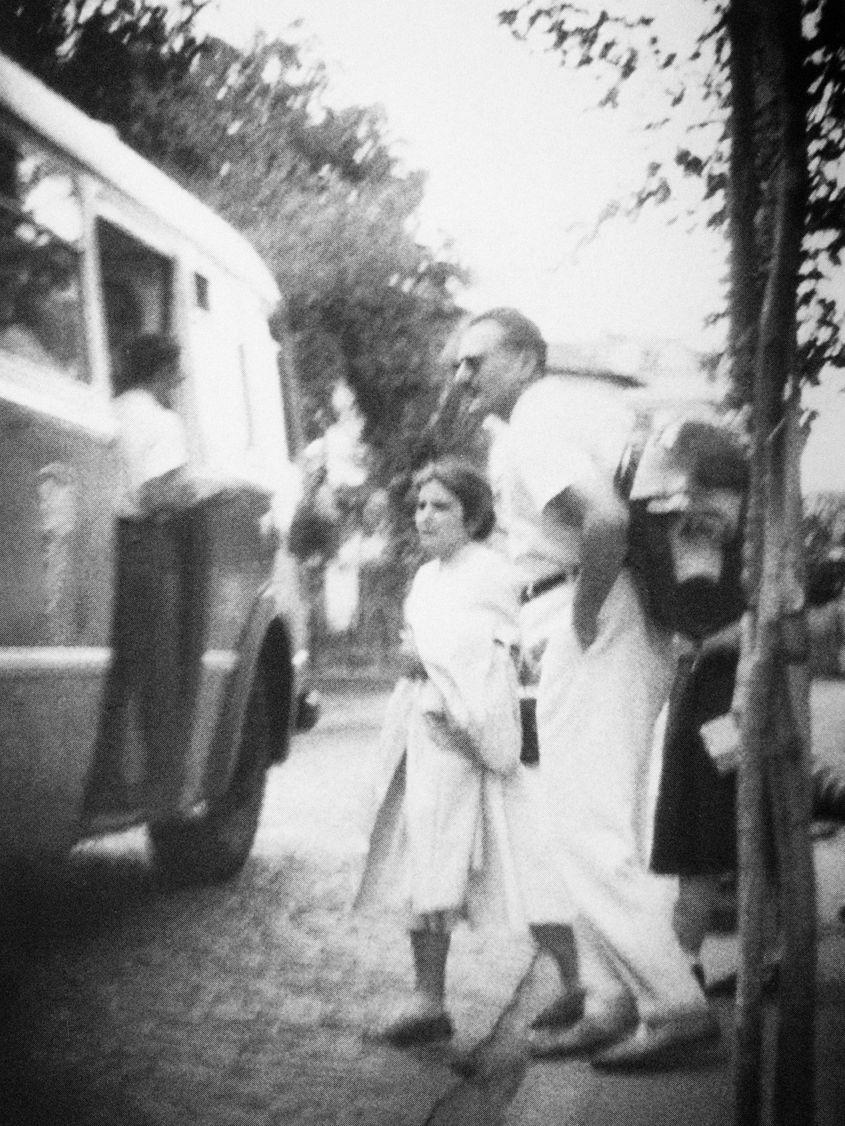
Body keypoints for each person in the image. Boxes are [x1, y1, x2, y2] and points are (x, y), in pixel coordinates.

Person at [451, 307, 715, 1070]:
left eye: (476, 360)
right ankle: (609, 1000)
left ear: (528, 359)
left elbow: (602, 519)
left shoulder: (534, 421)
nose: (461, 376)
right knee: (600, 821)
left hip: (592, 612)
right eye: (457, 365)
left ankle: (673, 1002)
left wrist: (582, 612)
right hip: (620, 614)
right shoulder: (564, 410)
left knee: (583, 829)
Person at [355, 458, 541, 1046]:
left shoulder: (489, 571)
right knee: (423, 863)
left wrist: (429, 661)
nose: (426, 516)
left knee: (526, 864)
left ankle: (581, 986)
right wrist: (422, 663)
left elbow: (495, 651)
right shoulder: (427, 577)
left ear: (474, 513)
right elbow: (424, 645)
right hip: (425, 732)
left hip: (471, 735)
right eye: (420, 506)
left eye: (441, 505)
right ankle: (428, 1000)